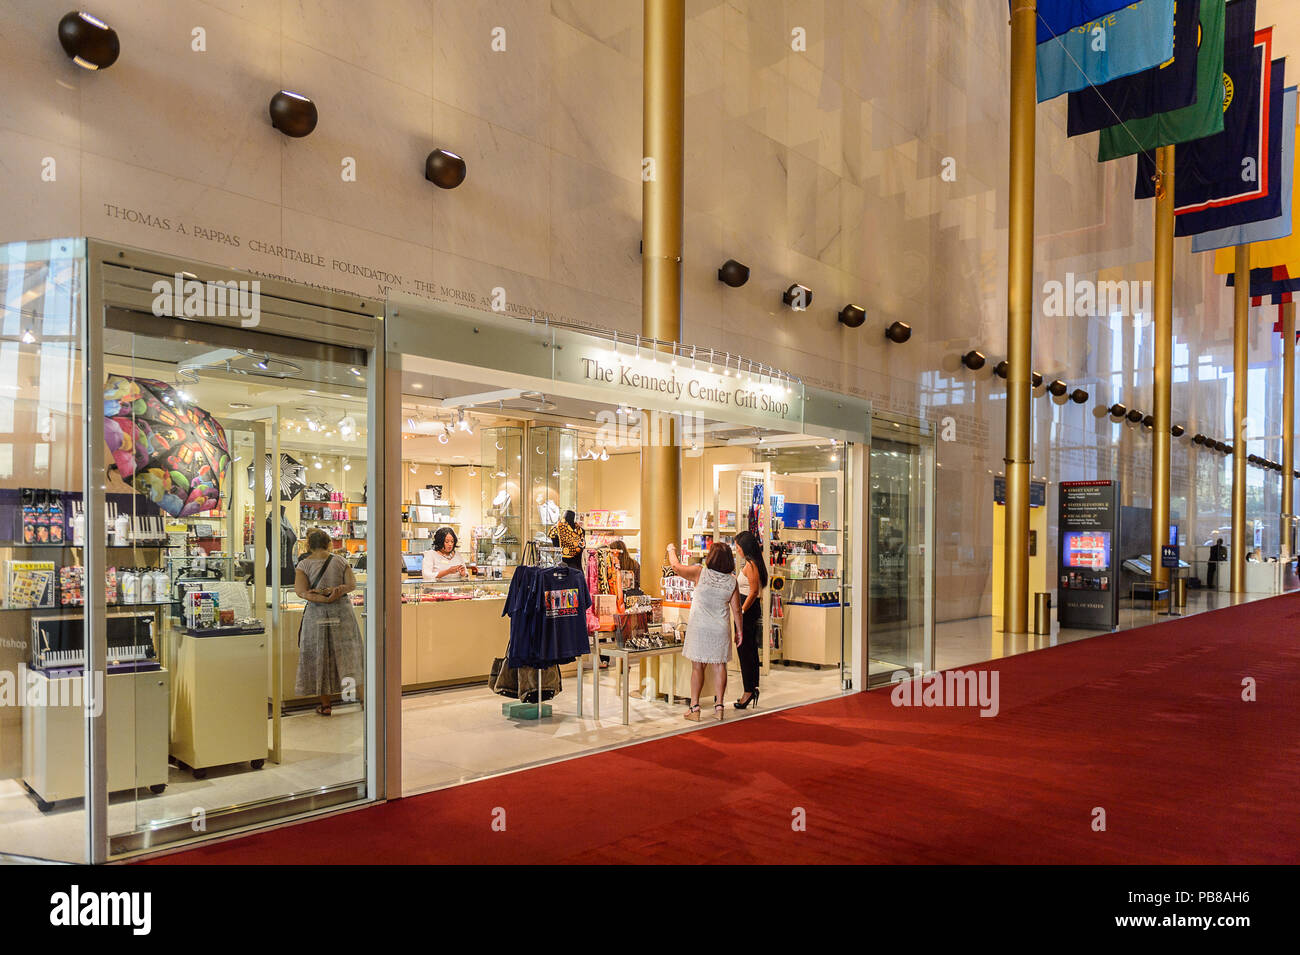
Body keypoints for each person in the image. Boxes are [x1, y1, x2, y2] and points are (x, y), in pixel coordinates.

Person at [666, 540, 741, 722]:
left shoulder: (700, 572)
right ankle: (720, 707)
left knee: (697, 667)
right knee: (719, 665)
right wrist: (740, 631)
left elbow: (676, 566)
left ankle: (695, 708)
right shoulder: (732, 581)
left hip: (699, 627)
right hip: (720, 628)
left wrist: (671, 549)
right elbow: (737, 609)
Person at [295, 528, 363, 716]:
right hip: (342, 612)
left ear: (308, 545)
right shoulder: (340, 561)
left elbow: (301, 591)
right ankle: (361, 698)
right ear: (328, 543)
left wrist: (320, 597)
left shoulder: (304, 564)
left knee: (319, 655)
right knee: (349, 654)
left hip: (316, 615)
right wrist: (337, 591)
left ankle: (326, 705)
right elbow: (352, 584)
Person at [732, 530, 768, 709]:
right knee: (749, 650)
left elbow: (753, 591)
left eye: (738, 546)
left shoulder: (752, 565)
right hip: (748, 609)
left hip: (747, 610)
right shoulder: (753, 563)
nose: (736, 549)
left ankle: (748, 691)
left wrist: (742, 610)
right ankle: (751, 688)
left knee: (745, 651)